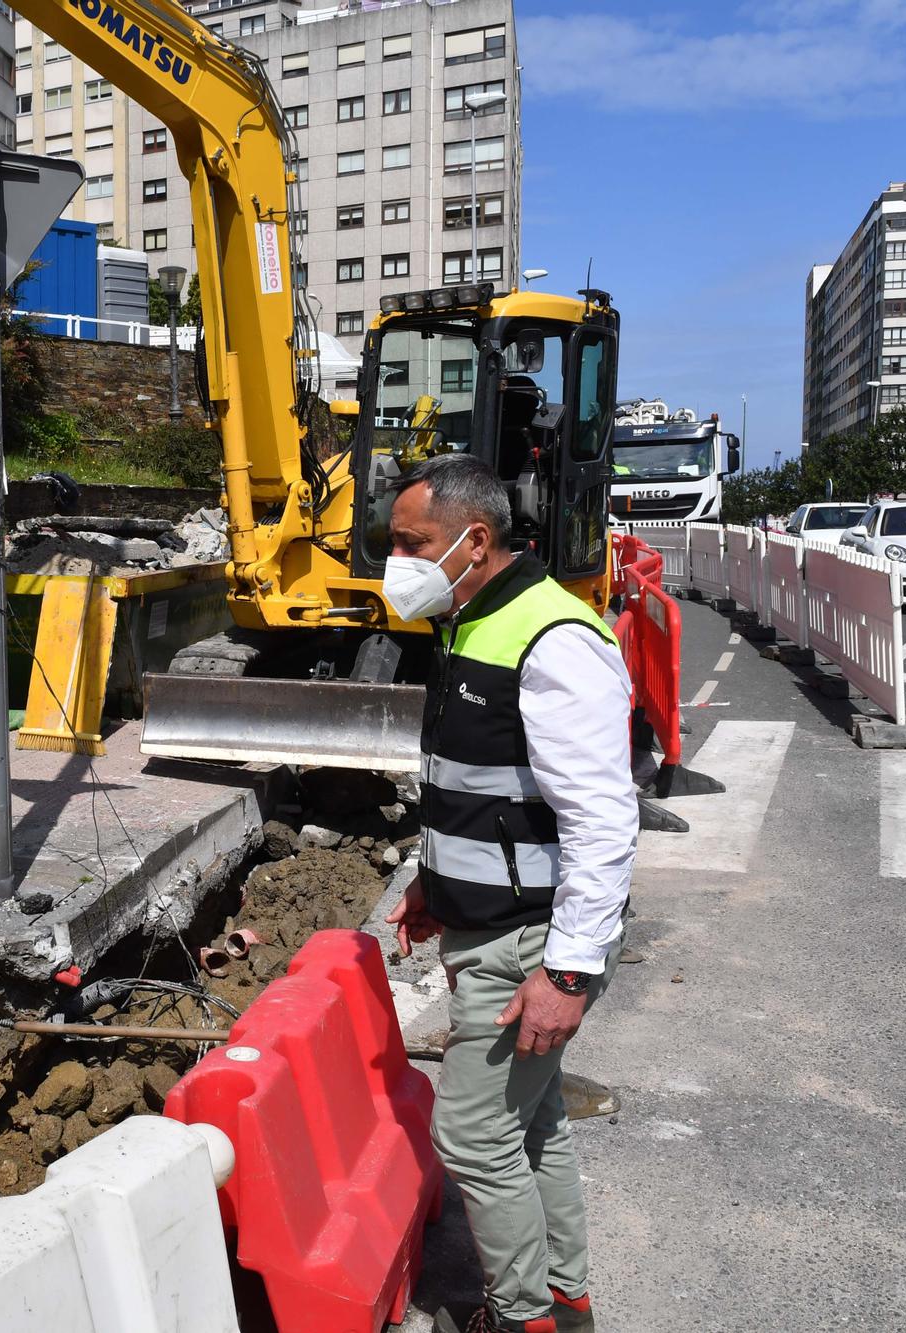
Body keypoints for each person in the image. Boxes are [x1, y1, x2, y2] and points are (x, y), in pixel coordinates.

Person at [380, 454, 636, 1333]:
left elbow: (602, 821)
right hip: (491, 925)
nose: (397, 562)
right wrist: (431, 879)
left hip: (527, 944)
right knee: (532, 1126)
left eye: (412, 543)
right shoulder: (469, 619)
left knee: (474, 1136)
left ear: (474, 540)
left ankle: (521, 1317)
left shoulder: (552, 637)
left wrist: (566, 976)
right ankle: (565, 1302)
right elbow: (479, 785)